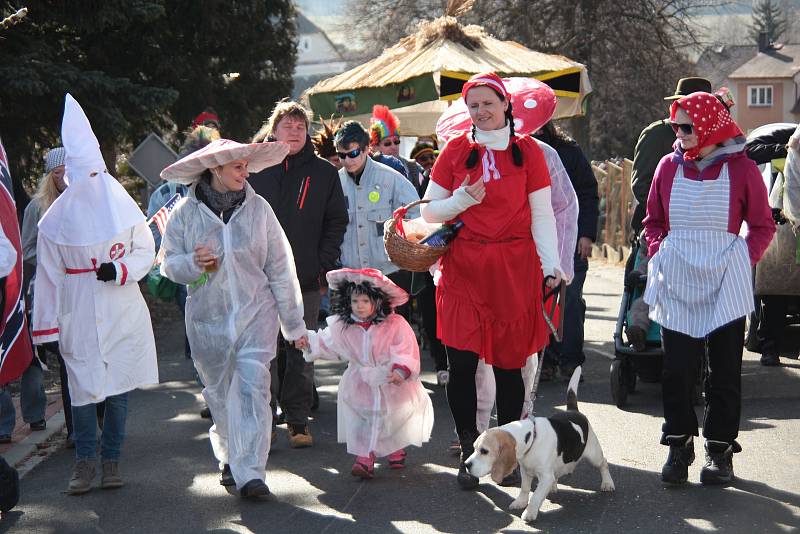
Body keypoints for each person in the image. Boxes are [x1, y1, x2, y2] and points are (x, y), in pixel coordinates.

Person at [420, 73, 561, 490]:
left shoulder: (529, 152)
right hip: (464, 268)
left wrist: (551, 264)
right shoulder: (456, 151)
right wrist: (463, 199)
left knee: (507, 366)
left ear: (505, 105)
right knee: (461, 364)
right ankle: (470, 449)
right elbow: (428, 213)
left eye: (488, 103)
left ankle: (508, 451)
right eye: (473, 105)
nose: (480, 111)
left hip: (514, 269)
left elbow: (542, 215)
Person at [160, 137, 307, 498]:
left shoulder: (260, 211)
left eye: (246, 166)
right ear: (216, 170)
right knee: (222, 396)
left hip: (257, 317)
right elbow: (167, 264)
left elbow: (280, 268)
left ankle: (251, 473)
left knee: (254, 392)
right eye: (237, 167)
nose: (246, 173)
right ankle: (229, 457)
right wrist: (194, 263)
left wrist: (293, 323)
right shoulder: (185, 214)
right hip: (208, 323)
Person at [643, 91, 775, 486]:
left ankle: (719, 451)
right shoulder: (668, 167)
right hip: (678, 279)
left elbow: (763, 225)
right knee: (677, 369)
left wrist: (741, 261)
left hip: (725, 283)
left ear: (709, 128)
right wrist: (658, 252)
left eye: (687, 127)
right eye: (676, 126)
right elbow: (653, 221)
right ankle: (679, 443)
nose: (679, 134)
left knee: (724, 372)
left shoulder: (743, 169)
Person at [32, 95, 159, 495]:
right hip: (78, 311)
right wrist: (45, 330)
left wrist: (120, 270)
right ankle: (84, 462)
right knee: (84, 390)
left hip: (119, 306)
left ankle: (112, 460)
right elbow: (49, 277)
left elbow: (145, 249)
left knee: (117, 387)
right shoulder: (55, 221)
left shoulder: (122, 206)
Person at [249, 101, 348, 449]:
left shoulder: (323, 173)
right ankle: (262, 420)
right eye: (287, 126)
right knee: (263, 352)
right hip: (257, 279)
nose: (294, 131)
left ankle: (297, 419)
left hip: (303, 278)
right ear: (274, 130)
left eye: (300, 127)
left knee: (299, 349)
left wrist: (322, 261)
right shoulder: (254, 169)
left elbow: (337, 220)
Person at [303, 268, 433, 478]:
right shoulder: (344, 326)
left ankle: (394, 447)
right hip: (360, 382)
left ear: (378, 301)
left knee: (391, 416)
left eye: (365, 301)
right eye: (355, 301)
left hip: (388, 380)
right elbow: (328, 342)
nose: (360, 306)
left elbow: (405, 348)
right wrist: (308, 343)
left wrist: (400, 369)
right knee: (363, 417)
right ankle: (364, 458)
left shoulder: (394, 325)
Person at [148, 126, 217, 421]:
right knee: (199, 327)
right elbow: (153, 229)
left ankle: (217, 389)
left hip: (222, 272)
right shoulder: (165, 193)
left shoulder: (222, 187)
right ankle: (210, 389)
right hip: (187, 274)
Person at [2, 148, 66, 444]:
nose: (64, 177)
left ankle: (51, 416)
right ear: (48, 176)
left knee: (59, 355)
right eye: (57, 172)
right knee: (31, 352)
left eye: (68, 170)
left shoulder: (82, 200)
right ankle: (19, 420)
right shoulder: (36, 208)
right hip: (35, 288)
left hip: (74, 288)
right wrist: (53, 255)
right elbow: (25, 249)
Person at [335, 121, 420, 317]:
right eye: (342, 155)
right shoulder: (334, 184)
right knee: (356, 342)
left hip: (390, 276)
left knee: (393, 339)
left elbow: (415, 218)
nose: (348, 160)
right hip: (352, 279)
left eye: (353, 153)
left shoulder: (392, 179)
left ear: (367, 149)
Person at [534, 121, 599, 380]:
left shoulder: (569, 151)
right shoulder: (520, 150)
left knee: (570, 301)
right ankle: (546, 360)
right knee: (541, 301)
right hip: (537, 241)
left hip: (570, 238)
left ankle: (571, 361)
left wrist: (586, 234)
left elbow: (587, 193)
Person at [744, 122, 800, 366]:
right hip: (778, 220)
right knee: (775, 284)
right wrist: (788, 148)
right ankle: (769, 345)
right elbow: (748, 150)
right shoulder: (782, 135)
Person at [631, 77, 713, 234]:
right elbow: (641, 185)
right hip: (657, 231)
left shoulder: (713, 139)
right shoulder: (656, 135)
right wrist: (672, 215)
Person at [369, 105, 423, 187]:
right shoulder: (368, 169)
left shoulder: (413, 167)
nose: (394, 146)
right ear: (375, 146)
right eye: (387, 143)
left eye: (396, 142)